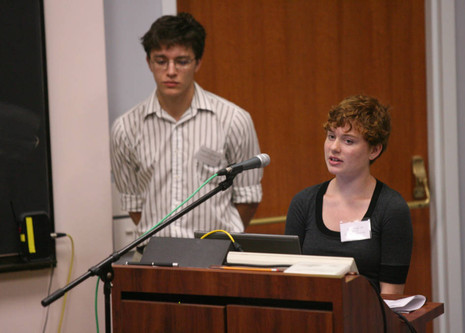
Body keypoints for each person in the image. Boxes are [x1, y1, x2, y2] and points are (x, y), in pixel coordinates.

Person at [110, 13, 263, 239]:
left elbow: (247, 196)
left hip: (214, 253)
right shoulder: (125, 128)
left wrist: (217, 241)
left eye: (181, 61)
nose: (171, 71)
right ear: (149, 62)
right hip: (154, 254)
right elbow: (133, 202)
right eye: (161, 61)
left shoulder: (233, 119)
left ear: (198, 62)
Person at [285, 95, 412, 294]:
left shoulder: (391, 208)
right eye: (331, 136)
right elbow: (287, 282)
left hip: (366, 320)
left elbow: (391, 299)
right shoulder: (303, 202)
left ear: (374, 150)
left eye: (348, 141)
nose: (334, 147)